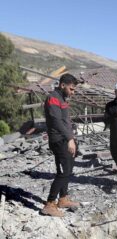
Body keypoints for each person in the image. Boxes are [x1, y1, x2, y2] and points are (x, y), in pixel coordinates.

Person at [42, 73, 80, 217]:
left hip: (66, 139)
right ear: (62, 85)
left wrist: (72, 138)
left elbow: (65, 121)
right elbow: (56, 121)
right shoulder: (53, 98)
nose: (72, 92)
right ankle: (50, 203)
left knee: (68, 170)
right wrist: (70, 138)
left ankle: (62, 199)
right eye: (71, 89)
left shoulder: (62, 99)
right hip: (59, 140)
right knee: (63, 172)